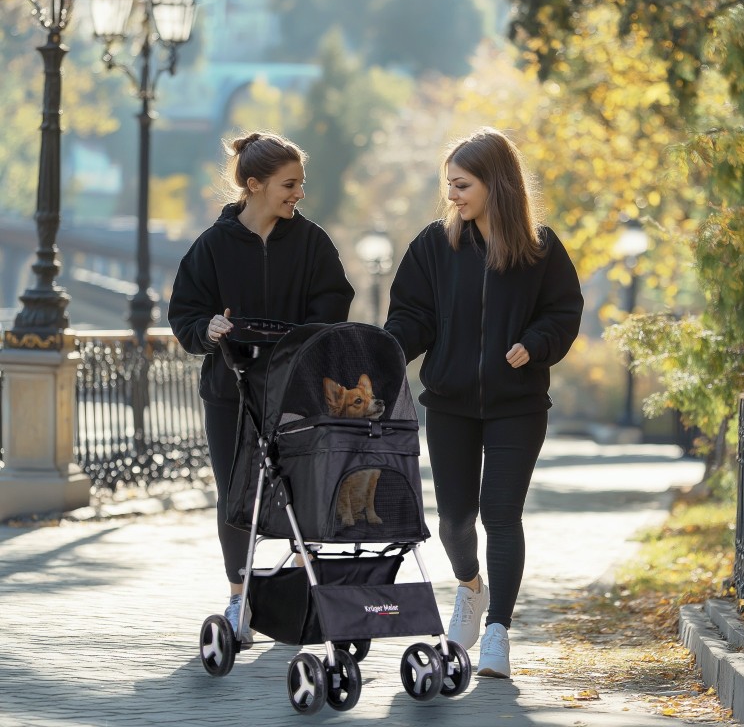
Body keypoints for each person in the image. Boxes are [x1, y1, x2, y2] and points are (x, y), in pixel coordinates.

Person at [384, 127, 583, 678]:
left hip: (517, 404)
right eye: (449, 184)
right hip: (448, 402)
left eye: (462, 184)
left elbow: (564, 311)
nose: (452, 195)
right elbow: (411, 315)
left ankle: (498, 630)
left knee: (501, 514)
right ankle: (470, 588)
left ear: (496, 183)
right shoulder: (433, 245)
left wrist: (535, 344)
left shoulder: (539, 248)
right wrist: (386, 356)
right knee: (453, 521)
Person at [168, 130, 355, 646]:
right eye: (288, 184)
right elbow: (185, 311)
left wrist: (304, 344)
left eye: (300, 183)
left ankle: (297, 593)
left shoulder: (312, 242)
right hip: (231, 393)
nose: (298, 193)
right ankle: (238, 598)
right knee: (236, 496)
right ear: (254, 185)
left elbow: (334, 302)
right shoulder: (212, 246)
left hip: (297, 396)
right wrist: (207, 330)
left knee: (299, 493)